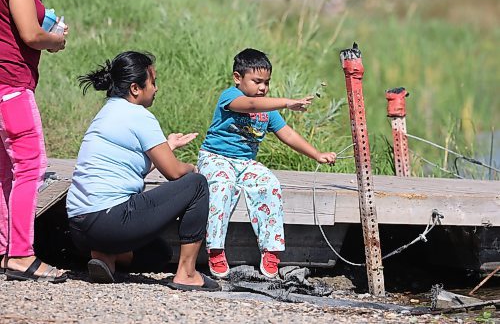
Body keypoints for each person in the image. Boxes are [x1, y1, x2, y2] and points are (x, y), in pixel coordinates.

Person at [66, 51, 220, 291]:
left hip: (79, 227)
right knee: (197, 184)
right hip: (109, 221)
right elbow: (174, 172)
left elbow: (127, 162)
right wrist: (194, 168)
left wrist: (167, 147)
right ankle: (187, 274)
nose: (156, 89)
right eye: (153, 82)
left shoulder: (108, 112)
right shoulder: (139, 115)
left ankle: (105, 256)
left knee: (159, 254)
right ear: (136, 88)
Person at [198, 48, 337, 279]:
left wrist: (317, 154)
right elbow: (251, 105)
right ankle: (215, 249)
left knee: (269, 184)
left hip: (245, 162)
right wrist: (286, 103)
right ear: (237, 78)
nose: (263, 88)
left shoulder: (267, 110)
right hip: (216, 157)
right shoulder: (230, 97)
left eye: (267, 82)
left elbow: (288, 134)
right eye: (257, 81)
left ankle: (271, 249)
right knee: (222, 186)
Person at [0, 0, 67, 282]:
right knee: (30, 168)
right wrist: (57, 40)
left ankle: (5, 249)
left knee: (4, 173)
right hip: (12, 84)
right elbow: (30, 34)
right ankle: (21, 255)